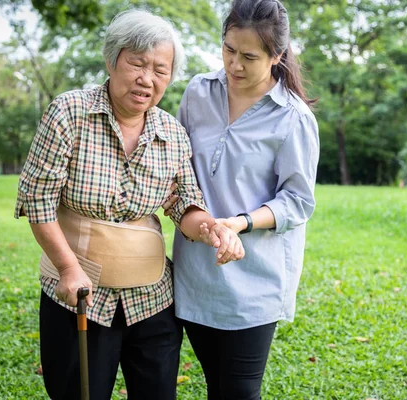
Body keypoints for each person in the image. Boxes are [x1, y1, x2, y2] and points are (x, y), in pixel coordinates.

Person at [14, 9, 244, 400]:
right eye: (137, 64)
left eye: (160, 69)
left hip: (152, 299)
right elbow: (37, 200)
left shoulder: (171, 131)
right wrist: (68, 268)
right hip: (79, 297)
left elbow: (183, 202)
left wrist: (211, 228)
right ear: (111, 59)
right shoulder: (69, 113)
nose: (147, 79)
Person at [165, 0, 320, 398]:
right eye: (229, 50)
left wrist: (240, 222)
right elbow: (180, 171)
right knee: (217, 386)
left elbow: (298, 200)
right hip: (196, 270)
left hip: (255, 280)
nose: (235, 64)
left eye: (249, 56)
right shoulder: (199, 91)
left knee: (239, 391)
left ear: (277, 56)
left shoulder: (293, 117)